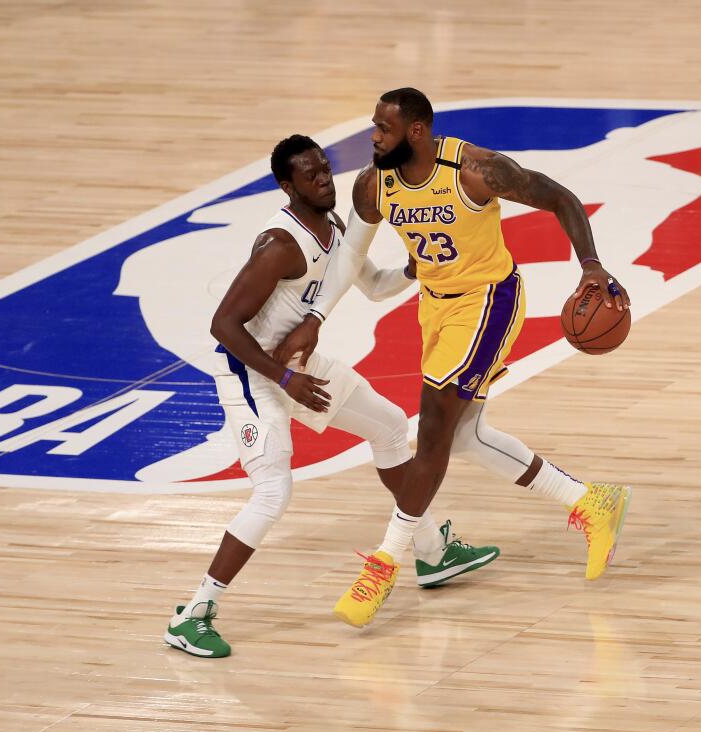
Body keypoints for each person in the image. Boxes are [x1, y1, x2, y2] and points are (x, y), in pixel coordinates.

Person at [276, 89, 633, 629]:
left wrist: (590, 265)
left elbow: (563, 198)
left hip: (489, 301)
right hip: (435, 309)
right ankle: (590, 501)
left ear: (416, 131)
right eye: (375, 126)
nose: (373, 136)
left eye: (384, 128)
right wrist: (317, 317)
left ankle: (385, 563)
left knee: (433, 434)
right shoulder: (375, 184)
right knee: (464, 436)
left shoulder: (477, 170)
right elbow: (351, 257)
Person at [164, 134, 500, 658]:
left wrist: (418, 266)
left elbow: (376, 286)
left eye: (326, 170)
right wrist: (283, 379)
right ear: (287, 186)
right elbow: (223, 325)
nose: (325, 180)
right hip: (250, 375)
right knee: (274, 492)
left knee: (390, 426)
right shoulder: (280, 246)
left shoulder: (336, 226)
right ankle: (194, 613)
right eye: (312, 175)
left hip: (293, 367)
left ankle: (433, 552)